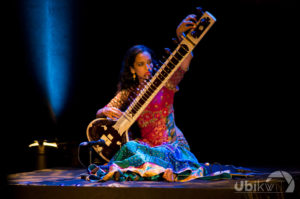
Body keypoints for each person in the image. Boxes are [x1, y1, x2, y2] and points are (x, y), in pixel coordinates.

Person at [87, 14, 254, 182]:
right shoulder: (129, 92)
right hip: (147, 146)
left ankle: (161, 171)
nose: (148, 67)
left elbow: (183, 65)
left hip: (171, 145)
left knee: (161, 155)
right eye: (141, 64)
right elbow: (102, 113)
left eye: (150, 62)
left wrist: (182, 37)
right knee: (130, 147)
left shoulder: (164, 83)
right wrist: (106, 110)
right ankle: (157, 172)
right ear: (132, 69)